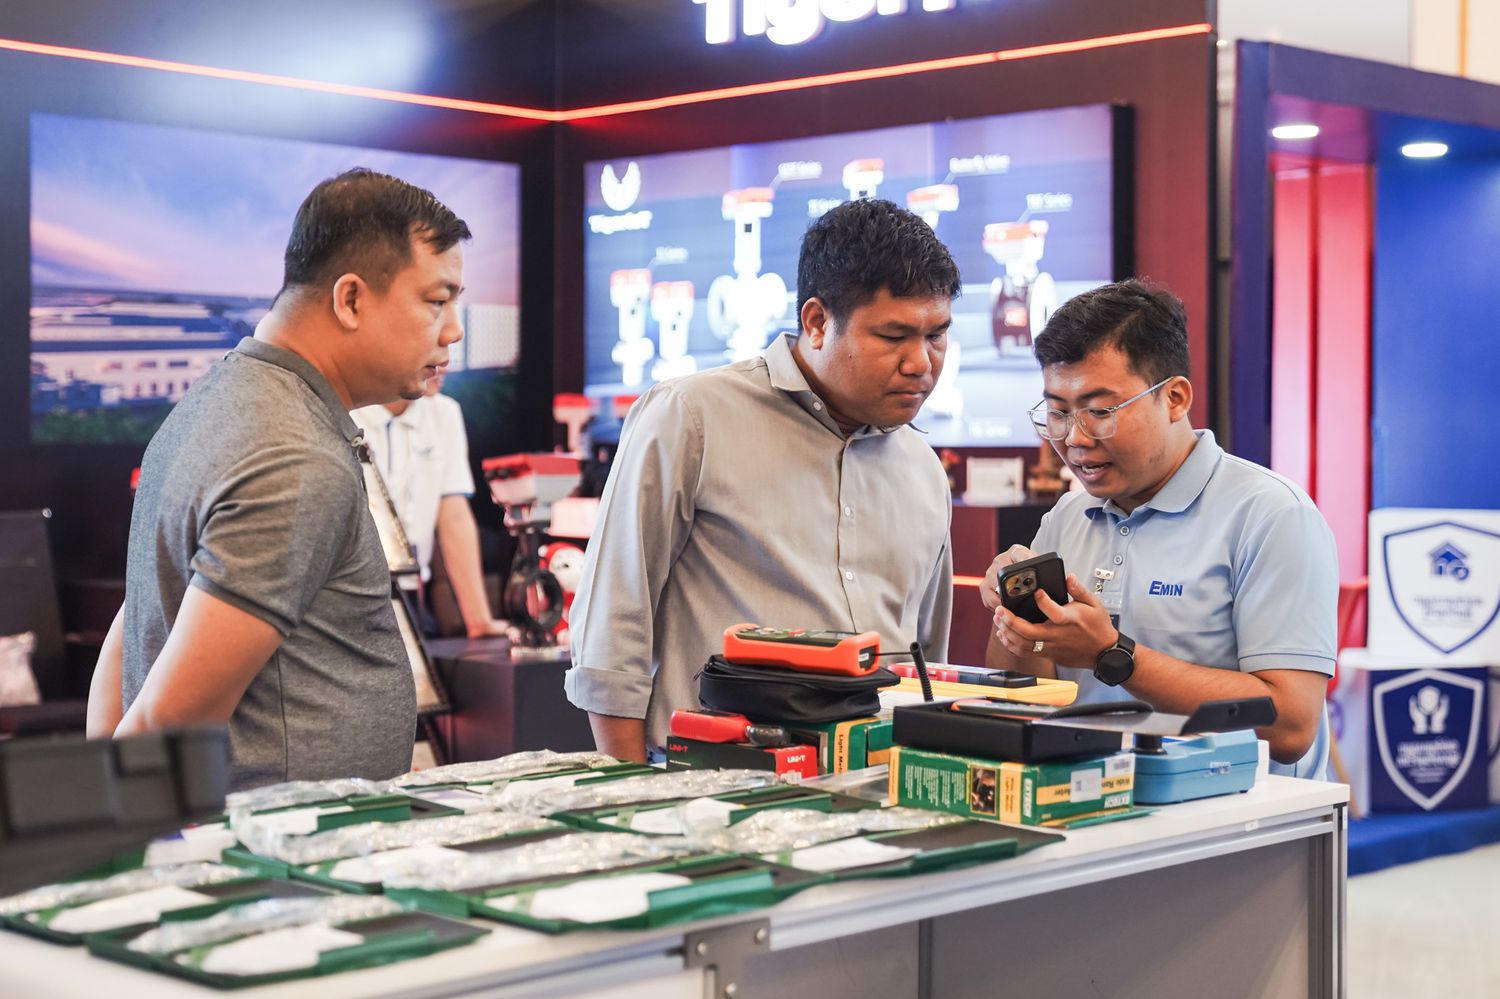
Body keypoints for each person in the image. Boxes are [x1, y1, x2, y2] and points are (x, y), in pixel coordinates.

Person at [85, 168, 471, 790]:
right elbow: (167, 722)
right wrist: (105, 828)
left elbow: (139, 625)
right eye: (436, 299)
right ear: (350, 300)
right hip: (279, 842)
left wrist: (107, 782)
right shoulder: (293, 455)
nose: (453, 328)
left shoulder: (219, 400)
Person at [565, 198, 961, 763]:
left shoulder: (922, 467)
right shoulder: (691, 417)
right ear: (817, 322)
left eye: (937, 335)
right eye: (893, 336)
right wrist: (629, 788)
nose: (921, 362)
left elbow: (926, 660)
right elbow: (612, 622)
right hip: (711, 783)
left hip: (877, 782)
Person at [981, 279, 1337, 778]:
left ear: (1174, 398)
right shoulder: (1066, 516)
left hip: (1239, 816)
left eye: (1100, 412)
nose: (1074, 438)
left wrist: (1110, 654)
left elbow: (1291, 729)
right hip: (1091, 802)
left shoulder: (1271, 516)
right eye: (1058, 413)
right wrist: (1014, 615)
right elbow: (1027, 700)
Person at [352, 373, 507, 638]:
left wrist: (479, 621)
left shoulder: (444, 413)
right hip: (350, 599)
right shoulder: (347, 412)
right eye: (433, 351)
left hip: (412, 597)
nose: (444, 364)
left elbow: (454, 517)